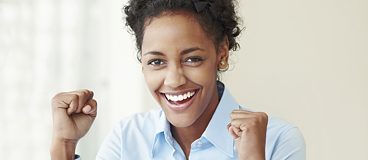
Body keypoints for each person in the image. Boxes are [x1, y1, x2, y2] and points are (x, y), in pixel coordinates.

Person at [50, 0, 306, 159]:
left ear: (222, 54)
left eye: (192, 59)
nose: (173, 80)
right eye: (156, 62)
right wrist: (65, 144)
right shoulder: (128, 138)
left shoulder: (277, 140)